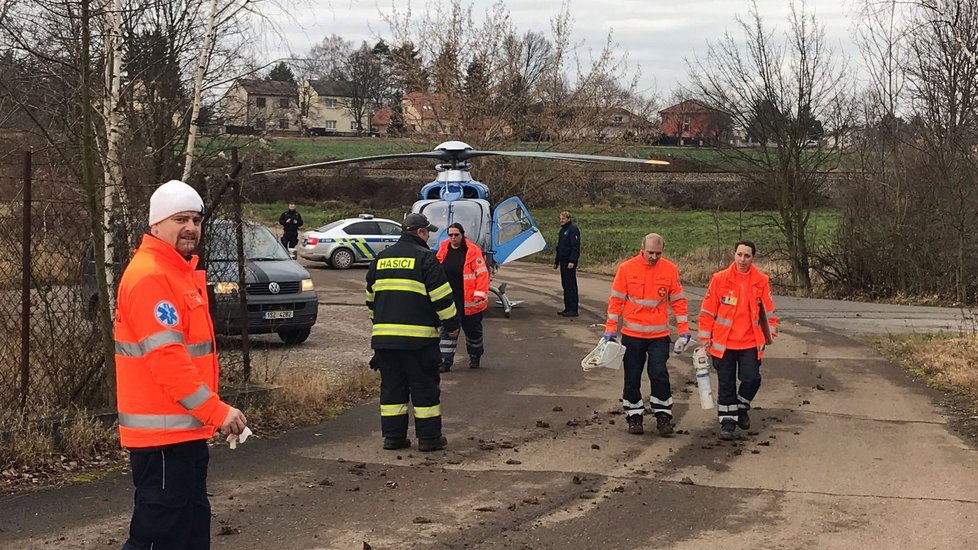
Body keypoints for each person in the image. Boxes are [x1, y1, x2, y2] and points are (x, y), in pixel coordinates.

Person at [114, 179, 248, 550]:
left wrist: (208, 416)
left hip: (183, 436)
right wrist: (215, 411)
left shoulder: (177, 273)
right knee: (157, 538)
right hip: (163, 441)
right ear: (156, 225)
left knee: (187, 535)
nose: (191, 227)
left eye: (196, 219)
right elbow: (167, 361)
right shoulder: (151, 277)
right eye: (180, 219)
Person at [366, 212, 460, 452]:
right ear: (419, 233)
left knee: (392, 390)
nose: (429, 236)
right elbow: (442, 298)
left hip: (385, 342)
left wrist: (381, 327)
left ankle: (394, 438)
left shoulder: (380, 259)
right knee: (424, 389)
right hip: (419, 342)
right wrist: (452, 326)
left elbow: (370, 300)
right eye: (427, 232)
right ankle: (429, 439)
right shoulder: (426, 259)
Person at [602, 233, 691, 437]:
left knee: (659, 373)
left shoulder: (669, 269)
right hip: (632, 335)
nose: (654, 257)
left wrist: (684, 332)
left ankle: (663, 416)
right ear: (642, 249)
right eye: (650, 252)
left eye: (658, 253)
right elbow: (616, 301)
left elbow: (678, 302)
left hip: (659, 335)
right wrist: (610, 330)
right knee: (632, 376)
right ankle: (634, 416)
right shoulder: (627, 269)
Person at [698, 240, 779, 441]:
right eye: (739, 255)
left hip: (750, 343)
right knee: (726, 384)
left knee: (752, 378)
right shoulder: (719, 279)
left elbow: (769, 311)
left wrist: (771, 334)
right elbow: (707, 312)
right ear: (734, 255)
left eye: (747, 256)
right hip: (723, 343)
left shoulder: (761, 280)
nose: (742, 259)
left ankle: (741, 407)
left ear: (753, 258)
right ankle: (727, 423)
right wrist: (705, 338)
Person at [435, 223, 489, 372]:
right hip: (449, 299)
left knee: (473, 331)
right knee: (448, 329)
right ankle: (445, 361)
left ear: (462, 235)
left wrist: (480, 293)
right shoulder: (443, 248)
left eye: (456, 235)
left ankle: (475, 356)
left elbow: (482, 273)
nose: (453, 238)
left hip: (470, 300)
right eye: (450, 235)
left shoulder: (472, 251)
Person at [554, 211, 580, 317]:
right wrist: (556, 261)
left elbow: (575, 246)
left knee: (571, 285)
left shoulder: (573, 229)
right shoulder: (562, 230)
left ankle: (573, 309)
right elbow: (559, 247)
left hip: (569, 262)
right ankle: (567, 307)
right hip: (563, 261)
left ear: (568, 219)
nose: (561, 220)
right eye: (560, 219)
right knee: (565, 285)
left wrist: (572, 261)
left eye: (563, 219)